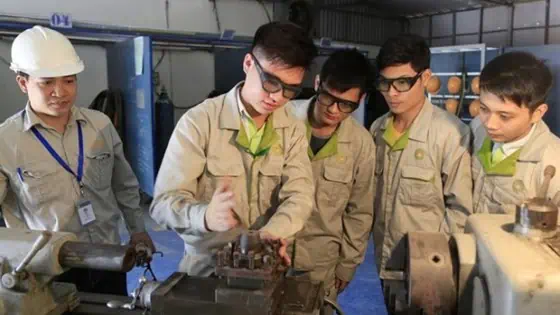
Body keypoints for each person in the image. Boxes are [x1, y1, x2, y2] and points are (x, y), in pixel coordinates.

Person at [149, 21, 318, 277]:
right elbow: (162, 204)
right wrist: (204, 216)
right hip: (206, 269)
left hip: (265, 265)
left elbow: (300, 196)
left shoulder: (292, 129)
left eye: (290, 89)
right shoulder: (200, 122)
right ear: (248, 64)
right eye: (271, 82)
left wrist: (271, 235)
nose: (278, 97)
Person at [0, 26, 154, 295]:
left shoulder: (100, 126)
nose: (60, 92)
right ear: (23, 83)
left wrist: (138, 230)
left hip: (109, 256)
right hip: (48, 269)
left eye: (69, 81)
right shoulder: (6, 142)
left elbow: (124, 185)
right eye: (47, 82)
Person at [369, 34, 473, 309]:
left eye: (403, 82)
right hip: (385, 264)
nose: (392, 93)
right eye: (385, 83)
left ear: (425, 77)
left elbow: (460, 210)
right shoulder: (378, 130)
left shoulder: (451, 135)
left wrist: (434, 268)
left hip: (429, 272)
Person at [289, 49, 375, 312]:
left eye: (346, 105)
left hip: (320, 265)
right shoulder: (283, 121)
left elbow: (360, 211)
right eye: (328, 98)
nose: (334, 110)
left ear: (361, 99)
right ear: (317, 83)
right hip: (272, 255)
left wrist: (348, 265)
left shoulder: (361, 144)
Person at [472, 51, 560, 213]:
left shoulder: (553, 163)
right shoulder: (477, 129)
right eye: (484, 109)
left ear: (537, 113)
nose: (490, 124)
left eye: (504, 116)